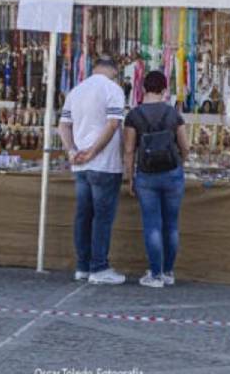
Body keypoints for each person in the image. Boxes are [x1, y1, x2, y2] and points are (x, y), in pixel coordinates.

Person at [58, 56, 127, 285]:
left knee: (83, 215)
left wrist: (72, 151)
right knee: (102, 217)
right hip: (104, 164)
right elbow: (113, 124)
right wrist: (94, 151)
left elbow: (63, 125)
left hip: (80, 163)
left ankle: (83, 266)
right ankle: (99, 267)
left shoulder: (76, 91)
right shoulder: (113, 90)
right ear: (114, 71)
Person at [122, 71, 189, 289]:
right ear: (164, 90)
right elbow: (185, 146)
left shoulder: (134, 115)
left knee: (152, 225)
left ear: (142, 88)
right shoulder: (173, 114)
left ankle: (156, 274)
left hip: (147, 176)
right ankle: (169, 272)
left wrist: (129, 177)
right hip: (172, 173)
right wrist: (181, 162)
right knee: (171, 225)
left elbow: (130, 150)